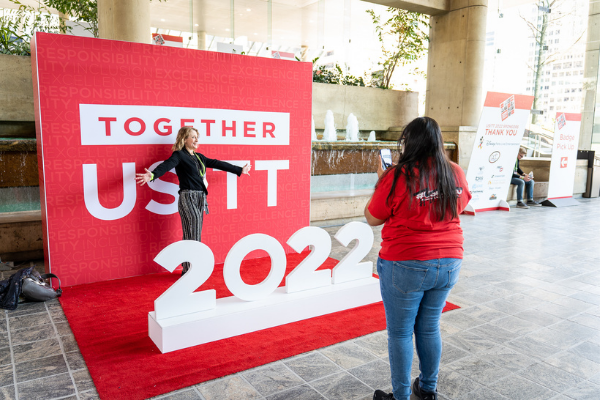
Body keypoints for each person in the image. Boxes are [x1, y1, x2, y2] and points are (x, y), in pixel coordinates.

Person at [365, 117, 472, 400]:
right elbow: (460, 205)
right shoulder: (455, 172)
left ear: (408, 143)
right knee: (429, 326)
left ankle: (400, 397)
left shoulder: (397, 175)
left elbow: (373, 218)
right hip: (449, 261)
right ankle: (427, 390)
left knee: (400, 333)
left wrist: (381, 181)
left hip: (406, 263)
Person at [136, 126, 251, 275]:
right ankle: (192, 271)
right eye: (193, 137)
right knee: (194, 235)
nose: (197, 140)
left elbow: (217, 163)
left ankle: (187, 269)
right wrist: (151, 175)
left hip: (199, 198)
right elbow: (166, 165)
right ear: (184, 139)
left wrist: (239, 170)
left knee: (191, 234)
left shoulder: (199, 157)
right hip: (187, 197)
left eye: (197, 137)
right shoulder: (179, 155)